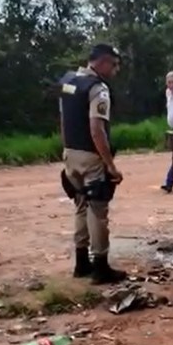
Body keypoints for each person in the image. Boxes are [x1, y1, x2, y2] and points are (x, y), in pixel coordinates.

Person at [58, 43, 127, 284]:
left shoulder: (69, 81)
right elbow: (97, 130)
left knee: (80, 205)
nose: (116, 70)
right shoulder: (98, 89)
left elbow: (63, 118)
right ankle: (100, 267)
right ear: (104, 62)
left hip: (70, 153)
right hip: (90, 156)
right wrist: (110, 165)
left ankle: (81, 262)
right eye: (115, 64)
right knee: (98, 211)